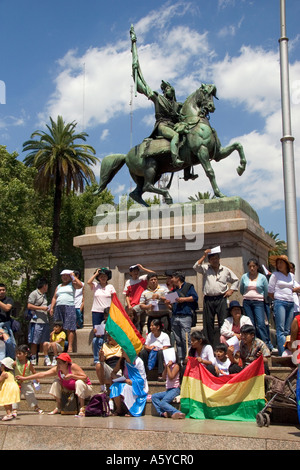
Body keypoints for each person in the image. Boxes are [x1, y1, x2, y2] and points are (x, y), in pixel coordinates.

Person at [16, 352, 93, 417]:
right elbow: (43, 374)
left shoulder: (73, 367)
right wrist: (24, 378)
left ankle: (82, 407)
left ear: (66, 363)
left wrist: (72, 376)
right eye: (57, 363)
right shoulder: (57, 369)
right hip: (69, 390)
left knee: (79, 382)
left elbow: (85, 377)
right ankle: (58, 406)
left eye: (60, 363)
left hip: (85, 389)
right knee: (56, 382)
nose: (58, 365)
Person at [193, 248, 239, 346]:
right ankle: (209, 346)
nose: (214, 260)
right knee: (208, 324)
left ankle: (224, 346)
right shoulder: (205, 269)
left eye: (216, 258)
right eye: (212, 259)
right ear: (209, 261)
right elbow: (195, 266)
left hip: (221, 298)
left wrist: (231, 290)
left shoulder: (225, 270)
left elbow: (236, 280)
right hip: (208, 299)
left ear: (219, 259)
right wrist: (204, 255)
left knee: (223, 321)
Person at [268, 254, 300, 356]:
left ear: (286, 264)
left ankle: (287, 350)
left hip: (290, 302)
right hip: (280, 302)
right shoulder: (275, 275)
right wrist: (278, 299)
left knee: (287, 329)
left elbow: (293, 288)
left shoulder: (291, 276)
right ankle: (282, 352)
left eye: (281, 262)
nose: (279, 264)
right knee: (280, 329)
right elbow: (270, 291)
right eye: (278, 263)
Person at [240, 259, 273, 350]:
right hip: (247, 301)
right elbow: (241, 289)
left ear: (257, 267)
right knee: (251, 324)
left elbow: (266, 291)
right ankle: (253, 343)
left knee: (261, 323)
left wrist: (260, 297)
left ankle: (265, 344)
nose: (252, 268)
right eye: (250, 266)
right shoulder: (244, 276)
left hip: (258, 302)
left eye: (253, 266)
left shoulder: (262, 277)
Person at [50, 270, 83, 353]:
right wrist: (52, 307)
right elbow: (54, 297)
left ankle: (70, 347)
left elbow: (80, 285)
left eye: (66, 275)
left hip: (69, 306)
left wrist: (73, 276)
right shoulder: (59, 286)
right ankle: (57, 346)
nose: (64, 277)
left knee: (70, 327)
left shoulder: (72, 283)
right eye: (63, 275)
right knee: (58, 327)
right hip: (58, 307)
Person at [110, 349, 148, 417]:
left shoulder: (138, 361)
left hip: (137, 384)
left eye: (123, 350)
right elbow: (113, 372)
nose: (121, 350)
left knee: (126, 387)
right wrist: (117, 378)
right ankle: (119, 409)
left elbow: (142, 379)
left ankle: (131, 410)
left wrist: (132, 381)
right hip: (125, 382)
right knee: (115, 386)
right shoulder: (123, 361)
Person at [170, 271, 198, 363]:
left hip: (185, 316)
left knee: (186, 339)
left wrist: (183, 299)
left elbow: (194, 297)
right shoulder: (173, 290)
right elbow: (170, 304)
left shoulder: (189, 286)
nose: (171, 279)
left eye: (173, 277)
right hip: (175, 316)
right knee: (178, 340)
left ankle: (188, 358)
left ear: (178, 278)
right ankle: (181, 360)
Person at [87, 268, 115, 361]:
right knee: (98, 335)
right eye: (101, 276)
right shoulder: (95, 285)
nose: (103, 278)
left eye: (105, 276)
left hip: (107, 312)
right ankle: (98, 357)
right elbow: (88, 282)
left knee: (108, 334)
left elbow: (114, 298)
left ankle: (108, 354)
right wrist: (96, 274)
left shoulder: (110, 286)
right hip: (97, 312)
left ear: (108, 277)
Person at [151, 350, 185, 419]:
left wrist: (169, 367)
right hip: (168, 390)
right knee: (154, 396)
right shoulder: (168, 367)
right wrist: (166, 368)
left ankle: (177, 412)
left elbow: (171, 377)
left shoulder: (176, 366)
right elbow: (164, 377)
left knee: (163, 402)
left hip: (175, 389)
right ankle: (163, 413)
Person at [12, 344, 43, 416]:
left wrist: (37, 378)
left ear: (25, 354)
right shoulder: (15, 362)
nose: (18, 355)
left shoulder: (29, 363)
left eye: (20, 353)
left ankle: (36, 407)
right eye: (17, 353)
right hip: (17, 383)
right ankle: (14, 409)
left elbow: (33, 371)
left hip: (26, 382)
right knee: (15, 396)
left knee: (30, 394)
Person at [123, 264, 154, 331]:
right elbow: (127, 295)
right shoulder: (128, 282)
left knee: (142, 323)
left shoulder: (142, 279)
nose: (136, 273)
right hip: (134, 306)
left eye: (137, 271)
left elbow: (153, 274)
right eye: (134, 271)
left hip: (142, 304)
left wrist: (143, 268)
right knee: (136, 323)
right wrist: (129, 305)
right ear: (130, 273)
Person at [27, 277, 50, 365]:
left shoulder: (44, 295)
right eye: (47, 285)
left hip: (45, 321)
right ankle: (33, 358)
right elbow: (29, 306)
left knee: (44, 341)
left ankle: (42, 358)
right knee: (34, 341)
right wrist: (41, 308)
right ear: (44, 286)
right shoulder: (34, 293)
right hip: (36, 321)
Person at [0, 283, 16, 348]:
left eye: (3, 290)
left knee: (10, 343)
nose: (2, 292)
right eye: (0, 290)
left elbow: (7, 308)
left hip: (5, 324)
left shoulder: (9, 300)